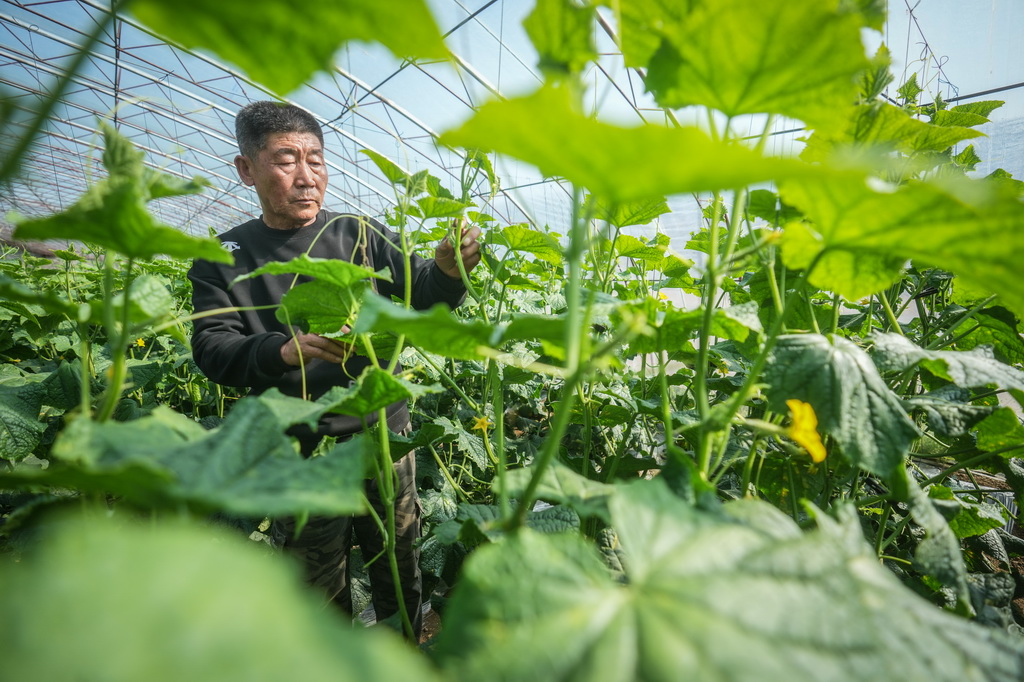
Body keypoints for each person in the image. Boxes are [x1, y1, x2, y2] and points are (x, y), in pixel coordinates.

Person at [187, 100, 481, 638]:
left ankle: (402, 656)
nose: (306, 177)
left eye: (316, 160)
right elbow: (211, 348)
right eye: (286, 160)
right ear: (246, 169)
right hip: (299, 450)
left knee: (400, 564)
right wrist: (279, 351)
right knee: (313, 589)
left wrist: (447, 270)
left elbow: (419, 294)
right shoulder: (221, 256)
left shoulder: (359, 233)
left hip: (382, 437)